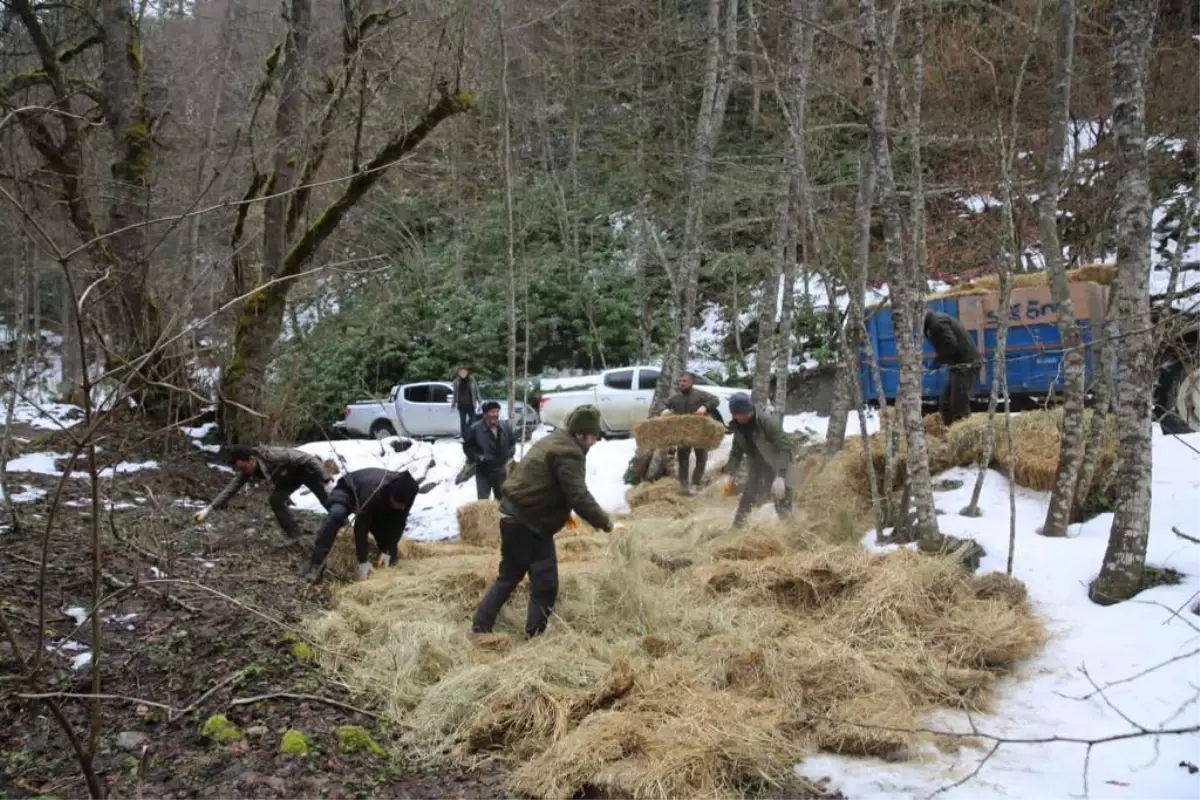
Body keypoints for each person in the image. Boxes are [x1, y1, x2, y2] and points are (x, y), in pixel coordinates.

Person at [472, 405, 616, 639]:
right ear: (580, 433)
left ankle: (481, 626)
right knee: (544, 583)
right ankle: (534, 637)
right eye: (592, 436)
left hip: (517, 517)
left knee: (510, 576)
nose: (595, 441)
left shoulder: (556, 440)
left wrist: (562, 512)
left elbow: (547, 483)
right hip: (527, 523)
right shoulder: (569, 453)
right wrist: (607, 524)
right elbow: (578, 496)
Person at [302, 467, 420, 582]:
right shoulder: (373, 490)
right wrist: (362, 560)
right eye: (399, 504)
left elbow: (399, 523)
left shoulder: (407, 494)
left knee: (390, 549)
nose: (402, 507)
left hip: (379, 502)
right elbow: (361, 526)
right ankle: (315, 564)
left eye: (404, 505)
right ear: (392, 495)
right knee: (337, 515)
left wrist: (388, 550)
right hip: (348, 490)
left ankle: (381, 560)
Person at [194, 445, 331, 540]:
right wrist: (209, 508)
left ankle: (345, 531)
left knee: (327, 501)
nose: (243, 472)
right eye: (239, 469)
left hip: (307, 471)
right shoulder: (249, 468)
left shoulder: (274, 455)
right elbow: (231, 488)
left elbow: (308, 459)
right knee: (276, 500)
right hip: (288, 478)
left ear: (252, 459)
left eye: (243, 467)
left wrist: (326, 479)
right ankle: (295, 536)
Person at [721, 393, 794, 530]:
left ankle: (790, 532)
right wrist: (729, 474)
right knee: (747, 499)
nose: (743, 416)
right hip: (757, 466)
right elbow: (736, 453)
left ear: (751, 410)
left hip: (778, 464)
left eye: (746, 413)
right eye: (738, 414)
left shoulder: (768, 422)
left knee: (782, 500)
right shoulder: (738, 427)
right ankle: (736, 530)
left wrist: (781, 476)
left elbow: (785, 449)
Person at [660, 372, 720, 494]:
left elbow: (716, 400)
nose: (682, 383)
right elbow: (664, 403)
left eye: (685, 381)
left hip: (700, 432)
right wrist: (665, 409)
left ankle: (696, 484)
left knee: (701, 459)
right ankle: (683, 486)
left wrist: (705, 407)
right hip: (684, 433)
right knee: (683, 460)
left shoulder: (700, 395)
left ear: (691, 382)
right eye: (680, 381)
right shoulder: (675, 398)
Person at [923, 310, 981, 427]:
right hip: (958, 365)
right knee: (945, 402)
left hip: (966, 364)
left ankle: (962, 434)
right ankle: (950, 433)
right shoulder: (933, 322)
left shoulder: (936, 324)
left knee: (958, 404)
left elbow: (951, 345)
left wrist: (936, 362)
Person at [463, 400, 517, 500]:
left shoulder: (505, 427)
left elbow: (512, 443)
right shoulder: (475, 429)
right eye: (492, 412)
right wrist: (478, 457)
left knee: (502, 502)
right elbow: (467, 447)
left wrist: (509, 454)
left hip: (501, 471)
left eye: (497, 412)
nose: (495, 415)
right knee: (483, 503)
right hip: (483, 471)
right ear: (485, 414)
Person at [450, 365, 482, 439]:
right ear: (459, 373)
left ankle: (473, 435)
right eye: (461, 372)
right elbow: (455, 394)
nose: (463, 374)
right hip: (461, 405)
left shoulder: (472, 380)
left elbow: (477, 391)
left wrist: (480, 401)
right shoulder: (456, 381)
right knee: (463, 422)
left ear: (467, 372)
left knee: (473, 421)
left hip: (470, 404)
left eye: (464, 372)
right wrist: (453, 404)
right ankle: (464, 436)